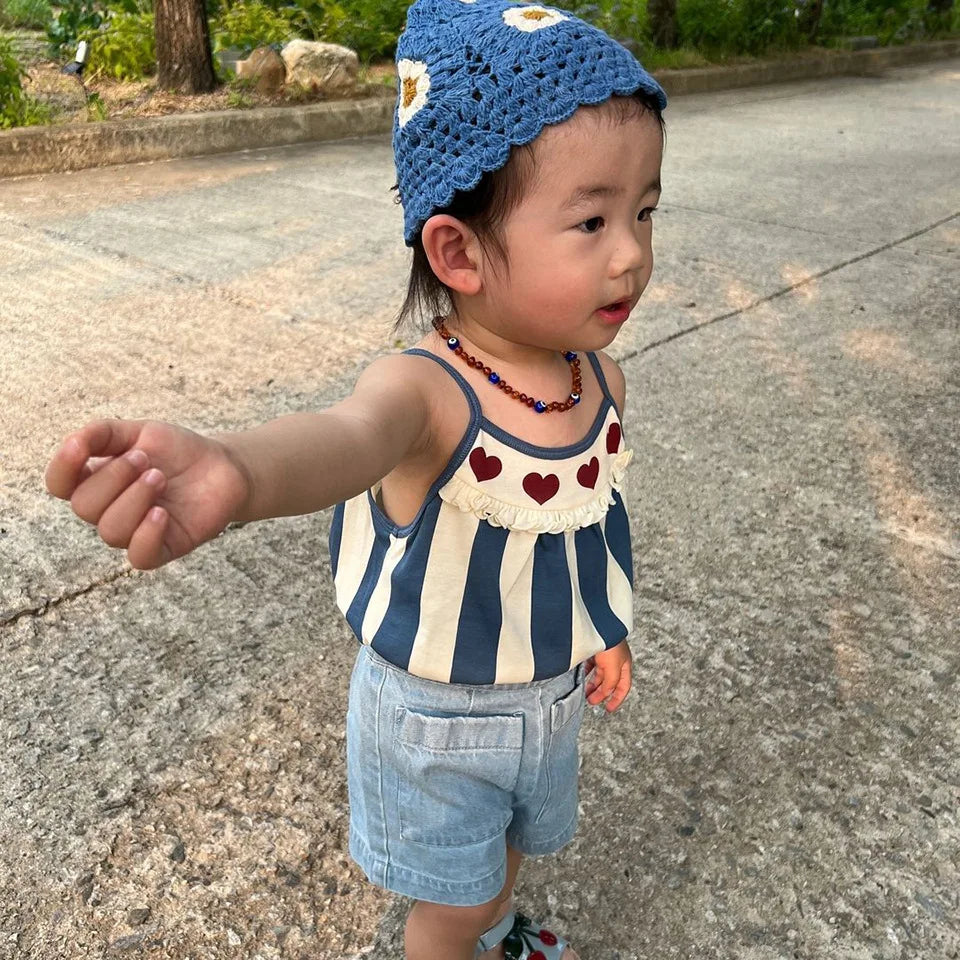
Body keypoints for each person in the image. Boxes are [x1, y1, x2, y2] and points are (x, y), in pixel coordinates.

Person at [44, 1, 667, 957]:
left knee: (500, 861)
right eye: (590, 219)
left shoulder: (599, 379)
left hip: (550, 694)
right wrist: (240, 471)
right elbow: (345, 436)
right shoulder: (427, 394)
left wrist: (605, 630)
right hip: (435, 721)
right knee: (445, 902)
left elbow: (588, 525)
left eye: (644, 211)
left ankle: (496, 929)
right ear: (457, 251)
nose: (630, 253)